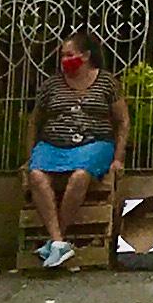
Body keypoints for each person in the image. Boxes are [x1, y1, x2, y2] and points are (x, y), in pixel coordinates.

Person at [23, 31, 130, 270]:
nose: (64, 60)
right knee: (36, 176)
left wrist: (118, 158)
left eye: (70, 55)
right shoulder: (51, 85)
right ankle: (59, 241)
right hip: (53, 146)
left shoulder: (106, 82)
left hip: (94, 145)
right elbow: (34, 121)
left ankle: (55, 240)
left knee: (80, 176)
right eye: (62, 56)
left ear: (86, 56)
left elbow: (122, 121)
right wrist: (29, 156)